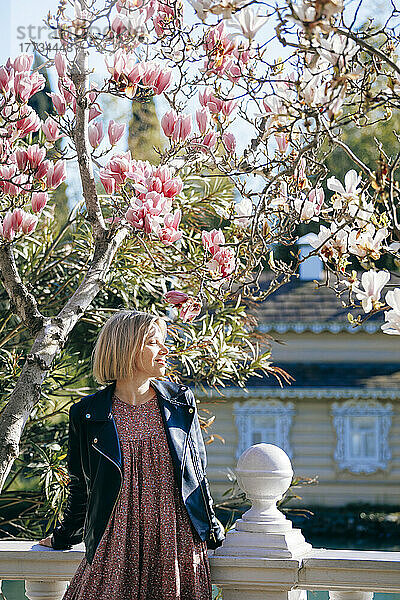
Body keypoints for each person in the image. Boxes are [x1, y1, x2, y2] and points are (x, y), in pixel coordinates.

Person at [38, 310, 225, 599]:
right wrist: (64, 536)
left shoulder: (179, 402)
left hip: (174, 544)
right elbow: (81, 486)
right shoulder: (88, 413)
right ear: (126, 348)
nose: (165, 350)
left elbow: (197, 474)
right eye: (153, 342)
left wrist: (212, 528)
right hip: (113, 546)